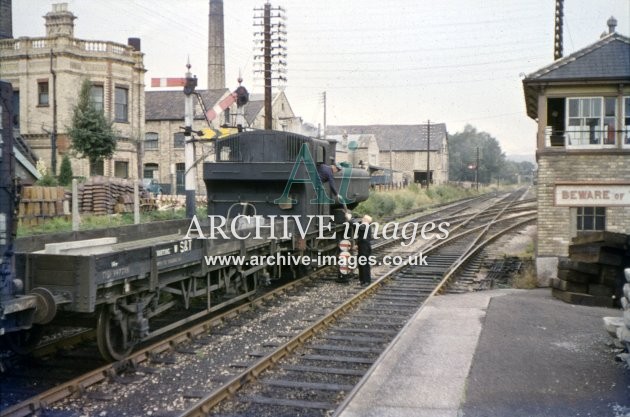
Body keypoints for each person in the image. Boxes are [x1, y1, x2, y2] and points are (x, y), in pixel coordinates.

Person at [356, 214, 373, 287]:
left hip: (365, 248)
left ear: (366, 220)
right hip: (362, 247)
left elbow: (356, 225)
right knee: (361, 263)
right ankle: (362, 280)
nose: (362, 219)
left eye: (363, 218)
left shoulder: (365, 225)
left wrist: (350, 219)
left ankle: (367, 281)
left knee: (365, 264)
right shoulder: (365, 226)